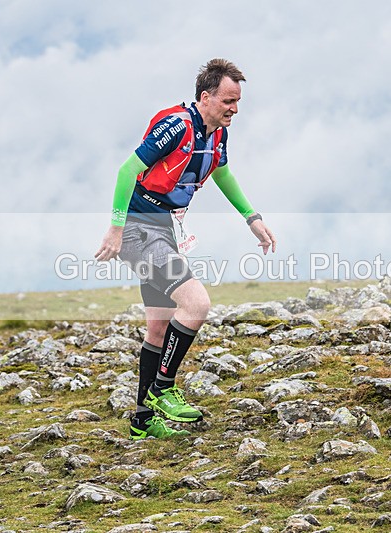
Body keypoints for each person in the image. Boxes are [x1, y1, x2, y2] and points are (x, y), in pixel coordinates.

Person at [95, 58, 276, 439]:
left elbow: (221, 172)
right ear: (206, 97)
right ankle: (163, 389)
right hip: (139, 230)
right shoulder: (176, 126)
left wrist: (251, 217)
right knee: (196, 305)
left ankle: (143, 422)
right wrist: (115, 230)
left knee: (159, 327)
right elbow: (127, 171)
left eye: (238, 101)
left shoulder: (217, 134)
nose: (235, 109)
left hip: (164, 229)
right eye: (228, 100)